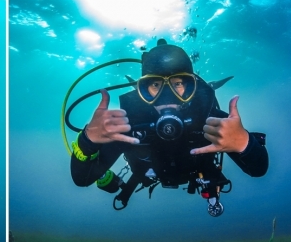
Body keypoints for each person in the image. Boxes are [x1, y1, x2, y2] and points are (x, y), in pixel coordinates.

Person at [70, 40, 268, 215]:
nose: (167, 97)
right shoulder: (130, 124)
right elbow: (82, 179)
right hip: (146, 173)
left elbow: (258, 169)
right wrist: (88, 140)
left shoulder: (210, 119)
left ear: (192, 86)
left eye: (179, 83)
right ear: (142, 90)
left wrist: (243, 142)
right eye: (155, 85)